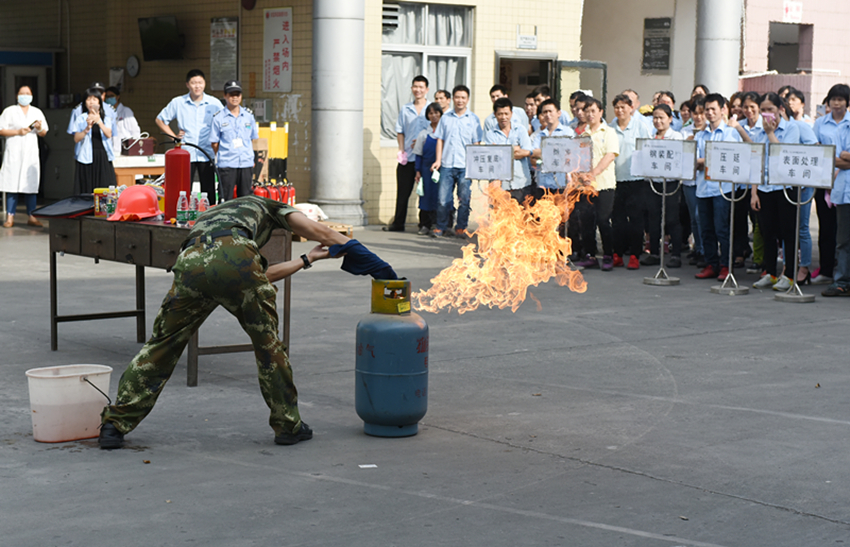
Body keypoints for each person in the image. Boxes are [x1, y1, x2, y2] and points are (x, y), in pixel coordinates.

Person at [97, 195, 396, 449]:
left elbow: (254, 275)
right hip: (237, 257)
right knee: (269, 347)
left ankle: (114, 424)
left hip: (190, 261)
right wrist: (377, 265)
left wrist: (307, 259)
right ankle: (288, 425)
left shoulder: (218, 213)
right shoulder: (273, 206)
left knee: (162, 344)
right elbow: (322, 233)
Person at [749, 93, 801, 290]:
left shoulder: (791, 129)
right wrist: (754, 192)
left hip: (785, 187)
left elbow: (785, 155)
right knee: (767, 231)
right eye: (763, 110)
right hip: (764, 187)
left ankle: (789, 275)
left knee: (788, 232)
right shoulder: (758, 132)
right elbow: (756, 163)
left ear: (780, 109)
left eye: (770, 109)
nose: (766, 114)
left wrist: (770, 133)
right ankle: (769, 272)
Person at [693, 93, 743, 281]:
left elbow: (731, 158)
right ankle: (711, 264)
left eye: (713, 109)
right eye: (707, 109)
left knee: (722, 229)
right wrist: (707, 160)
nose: (710, 113)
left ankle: (726, 266)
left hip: (723, 189)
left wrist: (704, 160)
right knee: (706, 229)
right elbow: (693, 161)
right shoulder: (700, 135)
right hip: (703, 188)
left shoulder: (731, 133)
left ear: (723, 110)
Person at [156, 69, 222, 200]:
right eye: (193, 83)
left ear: (205, 83)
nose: (197, 86)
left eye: (200, 82)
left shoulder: (214, 103)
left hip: (207, 152)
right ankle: (183, 212)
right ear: (187, 84)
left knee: (209, 190)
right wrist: (174, 137)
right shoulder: (178, 102)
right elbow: (160, 120)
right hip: (186, 152)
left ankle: (209, 212)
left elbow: (224, 122)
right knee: (183, 190)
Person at [430, 85, 483, 238]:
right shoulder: (446, 118)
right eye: (457, 97)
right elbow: (440, 140)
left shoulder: (473, 119)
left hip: (465, 166)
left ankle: (461, 227)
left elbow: (476, 143)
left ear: (468, 99)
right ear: (453, 98)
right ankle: (441, 227)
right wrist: (438, 160)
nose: (460, 100)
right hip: (447, 164)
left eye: (463, 97)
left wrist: (475, 165)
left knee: (464, 199)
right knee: (443, 200)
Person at [608, 93, 652, 270]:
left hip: (636, 180)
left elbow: (647, 149)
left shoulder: (640, 126)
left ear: (631, 108)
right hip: (615, 180)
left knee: (636, 220)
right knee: (617, 220)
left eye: (623, 107)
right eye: (617, 107)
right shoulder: (610, 128)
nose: (620, 110)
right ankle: (617, 254)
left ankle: (635, 255)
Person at [812, 84, 850, 285]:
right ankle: (828, 270)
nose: (836, 103)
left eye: (840, 99)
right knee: (827, 229)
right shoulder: (820, 123)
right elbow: (816, 152)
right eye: (833, 99)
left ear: (847, 102)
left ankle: (843, 277)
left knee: (844, 235)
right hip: (824, 182)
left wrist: (833, 158)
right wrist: (842, 159)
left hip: (845, 184)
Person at [575, 97, 619, 271]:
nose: (590, 114)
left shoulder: (608, 132)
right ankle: (590, 255)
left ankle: (608, 255)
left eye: (593, 111)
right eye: (587, 111)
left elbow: (610, 155)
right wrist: (581, 175)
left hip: (604, 185)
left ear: (601, 112)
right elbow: (577, 159)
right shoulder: (582, 135)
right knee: (587, 221)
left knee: (603, 220)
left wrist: (593, 174)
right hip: (586, 186)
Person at [385, 75, 429, 232]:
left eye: (421, 87)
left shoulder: (432, 109)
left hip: (425, 158)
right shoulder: (406, 109)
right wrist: (401, 150)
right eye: (415, 87)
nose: (418, 90)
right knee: (403, 192)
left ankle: (425, 224)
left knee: (425, 192)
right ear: (411, 88)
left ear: (427, 90)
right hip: (408, 157)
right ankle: (398, 223)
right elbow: (400, 131)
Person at [0, 85, 49, 228]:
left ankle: (32, 216)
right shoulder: (9, 111)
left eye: (28, 93)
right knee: (12, 184)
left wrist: (39, 128)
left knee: (31, 185)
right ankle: (10, 217)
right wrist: (18, 132)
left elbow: (44, 132)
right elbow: (1, 130)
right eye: (22, 93)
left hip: (30, 153)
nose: (25, 96)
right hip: (14, 152)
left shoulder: (36, 112)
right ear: (17, 96)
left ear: (32, 95)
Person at [647, 104, 685, 268]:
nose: (658, 121)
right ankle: (654, 253)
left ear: (670, 119)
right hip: (653, 182)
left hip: (671, 183)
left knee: (672, 219)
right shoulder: (650, 137)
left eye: (661, 117)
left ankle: (676, 254)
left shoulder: (676, 137)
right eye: (655, 117)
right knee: (653, 219)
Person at [210, 80, 259, 201]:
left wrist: (249, 155)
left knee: (246, 199)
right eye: (231, 94)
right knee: (225, 198)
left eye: (237, 94)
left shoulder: (248, 116)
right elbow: (214, 143)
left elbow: (252, 139)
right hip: (227, 164)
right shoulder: (218, 118)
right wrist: (226, 154)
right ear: (225, 95)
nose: (235, 97)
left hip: (246, 163)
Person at [483, 97, 534, 204]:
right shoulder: (490, 134)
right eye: (500, 114)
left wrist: (501, 150)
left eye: (506, 113)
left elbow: (527, 152)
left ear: (511, 113)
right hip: (499, 186)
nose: (503, 117)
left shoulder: (520, 130)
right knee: (500, 214)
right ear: (495, 115)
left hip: (521, 182)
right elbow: (492, 157)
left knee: (522, 213)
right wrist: (516, 148)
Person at [70, 87, 117, 194]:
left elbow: (108, 134)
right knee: (87, 189)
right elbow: (76, 138)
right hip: (86, 156)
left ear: (100, 102)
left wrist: (99, 122)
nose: (91, 102)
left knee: (105, 189)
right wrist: (87, 128)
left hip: (103, 156)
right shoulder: (81, 118)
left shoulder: (106, 118)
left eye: (95, 99)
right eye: (88, 99)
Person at [822, 123, 850, 296]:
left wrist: (846, 155)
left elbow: (842, 158)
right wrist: (842, 157)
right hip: (845, 193)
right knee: (843, 240)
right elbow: (833, 158)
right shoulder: (842, 129)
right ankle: (842, 281)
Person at [412, 102, 443, 235]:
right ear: (427, 116)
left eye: (436, 112)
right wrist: (418, 171)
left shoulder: (444, 134)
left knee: (440, 196)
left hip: (441, 170)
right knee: (425, 197)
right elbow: (418, 154)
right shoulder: (423, 134)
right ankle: (424, 224)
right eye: (431, 113)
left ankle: (439, 224)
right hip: (426, 170)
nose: (434, 115)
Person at [104, 86, 141, 157]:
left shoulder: (126, 111)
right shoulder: (107, 112)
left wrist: (134, 148)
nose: (109, 98)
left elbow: (135, 131)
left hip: (125, 150)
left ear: (118, 97)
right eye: (107, 96)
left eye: (111, 96)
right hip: (110, 150)